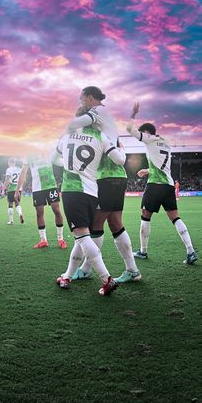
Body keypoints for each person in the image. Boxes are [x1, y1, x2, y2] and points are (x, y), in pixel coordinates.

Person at [68, 87, 141, 284]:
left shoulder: (97, 113)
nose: (80, 103)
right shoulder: (105, 118)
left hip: (106, 176)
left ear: (90, 98)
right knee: (115, 223)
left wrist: (69, 128)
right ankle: (132, 270)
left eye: (82, 100)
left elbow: (116, 156)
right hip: (117, 177)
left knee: (95, 225)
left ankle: (85, 269)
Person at [52, 124, 126, 296]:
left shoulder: (67, 134)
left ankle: (106, 279)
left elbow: (53, 158)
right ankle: (67, 276)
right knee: (82, 236)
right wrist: (121, 149)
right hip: (93, 192)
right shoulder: (100, 135)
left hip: (73, 190)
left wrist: (69, 164)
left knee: (83, 237)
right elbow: (120, 160)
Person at [127, 103, 198, 265]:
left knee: (145, 216)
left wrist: (133, 113)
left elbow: (129, 129)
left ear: (147, 132)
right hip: (168, 185)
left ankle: (143, 251)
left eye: (143, 133)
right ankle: (190, 250)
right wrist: (147, 169)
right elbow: (161, 166)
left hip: (155, 185)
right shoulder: (165, 142)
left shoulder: (149, 139)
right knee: (175, 217)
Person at [15, 156, 67, 249]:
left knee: (56, 210)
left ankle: (61, 239)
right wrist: (17, 190)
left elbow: (61, 162)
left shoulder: (48, 150)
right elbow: (23, 172)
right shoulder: (28, 155)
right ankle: (43, 240)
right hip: (37, 188)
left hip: (50, 185)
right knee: (39, 213)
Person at [2, 157, 24, 225]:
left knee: (10, 204)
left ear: (9, 162)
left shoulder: (9, 169)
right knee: (17, 204)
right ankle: (20, 213)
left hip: (11, 188)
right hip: (19, 188)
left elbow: (7, 179)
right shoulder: (20, 169)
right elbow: (23, 179)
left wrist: (3, 189)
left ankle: (11, 221)